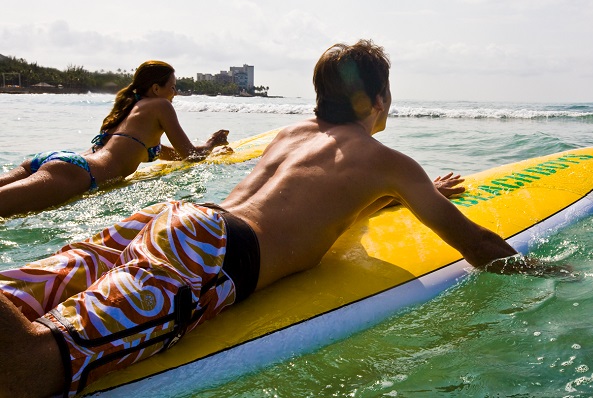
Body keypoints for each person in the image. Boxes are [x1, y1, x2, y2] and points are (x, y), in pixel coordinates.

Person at [0, 40, 563, 398]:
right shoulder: (389, 162)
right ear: (374, 101)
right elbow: (477, 245)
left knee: (18, 295)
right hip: (210, 253)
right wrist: (552, 272)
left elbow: (312, 199)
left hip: (175, 220)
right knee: (31, 364)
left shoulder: (294, 134)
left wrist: (405, 194)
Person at [0, 61, 230, 218]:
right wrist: (211, 144)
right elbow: (189, 155)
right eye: (173, 87)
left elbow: (172, 154)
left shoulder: (128, 113)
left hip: (60, 162)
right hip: (79, 174)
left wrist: (206, 146)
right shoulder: (161, 105)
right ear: (156, 88)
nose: (175, 93)